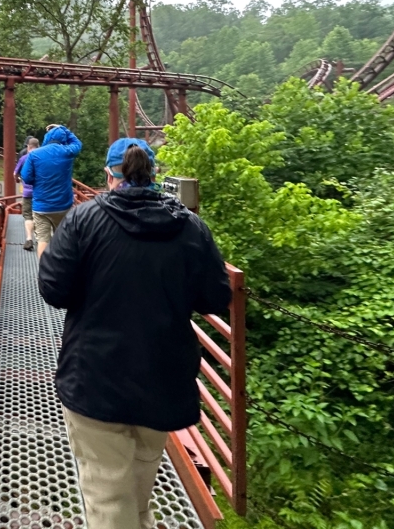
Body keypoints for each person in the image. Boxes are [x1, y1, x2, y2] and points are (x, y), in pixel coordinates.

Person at [37, 138, 231, 529]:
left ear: (109, 175)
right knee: (139, 492)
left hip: (95, 377)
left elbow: (53, 289)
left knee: (109, 499)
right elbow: (216, 297)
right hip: (163, 380)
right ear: (155, 175)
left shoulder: (83, 219)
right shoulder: (190, 226)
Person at [20, 124, 82, 258]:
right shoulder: (67, 152)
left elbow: (26, 177)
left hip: (41, 206)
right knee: (62, 239)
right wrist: (64, 128)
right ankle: (60, 271)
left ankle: (43, 274)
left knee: (43, 239)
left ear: (46, 137)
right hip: (63, 206)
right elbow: (77, 143)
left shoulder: (35, 154)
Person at [13, 137, 41, 251]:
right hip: (40, 192)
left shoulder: (24, 158)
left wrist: (18, 180)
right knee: (39, 215)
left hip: (28, 192)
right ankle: (41, 239)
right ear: (38, 146)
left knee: (28, 216)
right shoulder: (43, 158)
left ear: (28, 146)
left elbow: (15, 174)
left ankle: (29, 239)